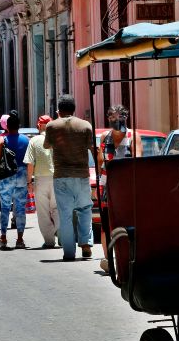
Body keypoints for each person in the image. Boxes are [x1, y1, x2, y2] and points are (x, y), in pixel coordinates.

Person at [44, 94, 95, 261]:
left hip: (61, 175)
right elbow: (92, 148)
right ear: (74, 109)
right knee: (85, 209)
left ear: (59, 110)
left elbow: (46, 145)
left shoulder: (52, 126)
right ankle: (85, 244)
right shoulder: (85, 125)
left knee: (65, 215)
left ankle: (69, 252)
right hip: (81, 175)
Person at [96, 105, 143, 271]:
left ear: (125, 118)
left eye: (120, 117)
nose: (116, 121)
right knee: (106, 224)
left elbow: (137, 161)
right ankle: (109, 260)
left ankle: (129, 257)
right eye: (113, 118)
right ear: (108, 119)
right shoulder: (105, 137)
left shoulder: (132, 136)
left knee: (126, 222)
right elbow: (100, 162)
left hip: (126, 187)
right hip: (107, 186)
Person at [0, 111, 30, 249]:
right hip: (22, 175)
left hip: (6, 176)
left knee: (5, 207)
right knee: (20, 209)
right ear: (19, 126)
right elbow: (30, 160)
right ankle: (20, 239)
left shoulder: (3, 139)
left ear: (7, 126)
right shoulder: (26, 140)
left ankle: (3, 237)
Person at [24, 114, 58, 248]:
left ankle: (49, 241)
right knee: (57, 209)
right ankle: (61, 235)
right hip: (57, 178)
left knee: (43, 212)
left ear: (39, 126)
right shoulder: (57, 139)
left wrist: (29, 182)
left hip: (40, 180)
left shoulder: (34, 141)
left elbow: (30, 163)